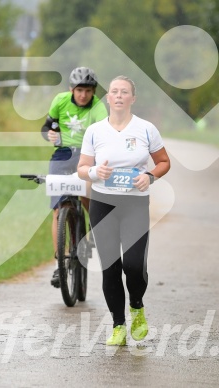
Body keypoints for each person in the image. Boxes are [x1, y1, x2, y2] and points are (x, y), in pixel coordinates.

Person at [77, 75, 170, 345]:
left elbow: (164, 162)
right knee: (110, 267)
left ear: (132, 98)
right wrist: (95, 172)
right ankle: (118, 324)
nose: (118, 95)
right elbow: (82, 169)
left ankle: (137, 307)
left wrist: (150, 176)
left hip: (134, 204)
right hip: (103, 203)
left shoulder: (146, 129)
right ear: (108, 98)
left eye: (124, 92)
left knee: (133, 264)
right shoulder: (95, 131)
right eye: (114, 91)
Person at [41, 66, 108, 288]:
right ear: (71, 89)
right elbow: (46, 127)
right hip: (62, 155)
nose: (83, 95)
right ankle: (60, 263)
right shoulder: (60, 101)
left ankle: (92, 233)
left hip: (88, 156)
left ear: (93, 91)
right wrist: (49, 134)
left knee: (89, 198)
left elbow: (103, 136)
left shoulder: (98, 108)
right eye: (79, 90)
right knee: (59, 210)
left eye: (88, 91)